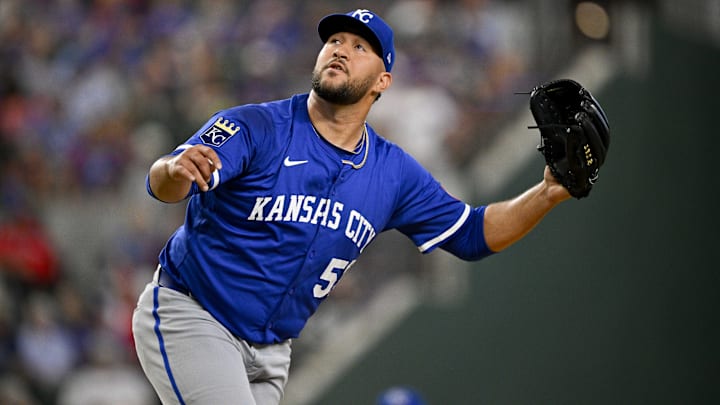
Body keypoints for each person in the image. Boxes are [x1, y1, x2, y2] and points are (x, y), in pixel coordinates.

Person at [132, 8, 571, 405]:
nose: (341, 50)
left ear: (383, 81)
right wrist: (173, 169)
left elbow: (472, 234)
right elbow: (166, 183)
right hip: (193, 316)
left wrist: (547, 193)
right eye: (334, 41)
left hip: (272, 353)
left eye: (360, 47)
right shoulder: (258, 126)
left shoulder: (393, 172)